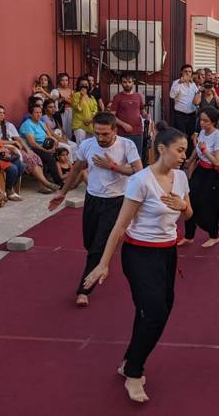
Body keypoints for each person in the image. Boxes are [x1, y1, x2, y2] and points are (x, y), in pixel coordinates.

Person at [82, 124, 192, 403]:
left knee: (158, 312)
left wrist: (183, 207)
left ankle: (130, 359)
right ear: (161, 149)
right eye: (179, 150)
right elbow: (120, 226)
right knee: (153, 313)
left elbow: (189, 215)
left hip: (167, 254)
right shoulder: (140, 180)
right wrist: (103, 264)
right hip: (139, 254)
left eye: (185, 152)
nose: (183, 156)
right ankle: (133, 372)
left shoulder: (180, 178)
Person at [48, 112, 143, 307]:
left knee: (97, 247)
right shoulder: (87, 145)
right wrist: (63, 192)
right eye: (97, 133)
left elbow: (138, 171)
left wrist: (113, 166)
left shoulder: (127, 145)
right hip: (92, 199)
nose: (100, 138)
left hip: (116, 201)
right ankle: (101, 261)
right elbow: (76, 168)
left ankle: (84, 290)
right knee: (89, 242)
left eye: (105, 134)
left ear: (114, 130)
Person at [181, 107, 219, 248]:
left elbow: (217, 161)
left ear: (213, 121)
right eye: (201, 120)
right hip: (200, 170)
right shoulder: (201, 132)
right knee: (189, 200)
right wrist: (189, 160)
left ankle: (214, 235)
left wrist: (205, 150)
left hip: (213, 174)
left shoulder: (218, 136)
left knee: (209, 205)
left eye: (206, 121)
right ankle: (189, 236)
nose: (202, 123)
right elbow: (197, 148)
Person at [0, 105, 58, 193]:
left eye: (3, 113)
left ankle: (42, 186)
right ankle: (45, 183)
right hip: (2, 150)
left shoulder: (8, 125)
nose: (2, 115)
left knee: (34, 156)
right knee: (29, 158)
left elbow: (19, 139)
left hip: (14, 148)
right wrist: (12, 142)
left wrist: (27, 149)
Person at [19, 104, 64, 190]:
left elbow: (49, 136)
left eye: (40, 112)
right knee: (50, 159)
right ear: (31, 114)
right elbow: (32, 143)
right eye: (36, 112)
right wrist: (46, 151)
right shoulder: (28, 124)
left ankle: (60, 176)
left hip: (44, 145)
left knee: (60, 153)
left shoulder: (40, 123)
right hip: (33, 148)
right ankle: (59, 183)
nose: (39, 114)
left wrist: (54, 144)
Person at [109, 73, 146, 158]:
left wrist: (146, 116)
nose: (127, 84)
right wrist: (123, 124)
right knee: (122, 157)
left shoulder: (138, 96)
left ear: (133, 82)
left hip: (138, 132)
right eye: (124, 82)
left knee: (137, 157)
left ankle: (137, 172)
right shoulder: (117, 97)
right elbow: (112, 116)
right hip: (122, 133)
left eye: (129, 82)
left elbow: (142, 111)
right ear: (121, 83)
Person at [170, 64, 201, 153]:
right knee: (181, 137)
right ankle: (180, 158)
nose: (188, 73)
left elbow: (197, 96)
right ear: (181, 72)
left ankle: (188, 157)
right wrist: (180, 82)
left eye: (189, 72)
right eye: (185, 71)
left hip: (192, 115)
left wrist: (199, 92)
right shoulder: (176, 82)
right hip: (180, 115)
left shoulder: (193, 84)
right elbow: (171, 95)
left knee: (191, 137)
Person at [72, 77, 99, 144]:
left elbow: (95, 109)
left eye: (86, 84)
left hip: (90, 124)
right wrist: (82, 97)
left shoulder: (91, 97)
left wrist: (91, 119)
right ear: (79, 86)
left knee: (90, 146)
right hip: (79, 125)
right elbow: (78, 108)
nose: (84, 86)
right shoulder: (76, 95)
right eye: (82, 84)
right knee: (81, 145)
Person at [50, 72, 74, 139]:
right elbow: (53, 102)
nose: (64, 82)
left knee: (70, 129)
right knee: (62, 128)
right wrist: (62, 99)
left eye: (66, 80)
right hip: (61, 112)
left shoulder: (71, 91)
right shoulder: (56, 91)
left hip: (70, 112)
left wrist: (67, 100)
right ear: (59, 81)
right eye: (62, 80)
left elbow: (74, 103)